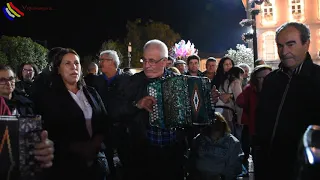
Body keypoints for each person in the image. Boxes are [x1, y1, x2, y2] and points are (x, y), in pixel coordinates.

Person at [112, 39, 220, 180]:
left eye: (152, 61)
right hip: (142, 154)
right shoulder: (131, 82)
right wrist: (136, 105)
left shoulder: (181, 81)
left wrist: (207, 101)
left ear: (164, 62)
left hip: (174, 152)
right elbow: (114, 111)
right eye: (144, 60)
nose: (146, 65)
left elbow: (195, 117)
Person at [255, 22, 320, 180]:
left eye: (291, 44)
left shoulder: (317, 79)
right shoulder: (271, 80)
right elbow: (261, 121)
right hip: (269, 168)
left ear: (306, 44)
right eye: (280, 46)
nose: (284, 52)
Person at [34, 48, 112, 180]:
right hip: (67, 167)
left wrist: (95, 145)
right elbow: (50, 132)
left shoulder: (91, 92)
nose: (73, 67)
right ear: (58, 69)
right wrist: (79, 148)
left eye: (76, 63)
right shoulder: (49, 97)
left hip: (97, 165)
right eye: (67, 63)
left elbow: (104, 121)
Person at [0, 65, 54, 169]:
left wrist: (43, 144)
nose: (8, 83)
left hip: (27, 160)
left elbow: (37, 129)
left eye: (11, 78)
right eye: (2, 80)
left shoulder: (26, 102)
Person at [236, 64, 272, 174]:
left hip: (272, 129)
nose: (263, 80)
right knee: (258, 157)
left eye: (266, 77)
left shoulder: (276, 89)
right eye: (260, 78)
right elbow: (240, 101)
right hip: (255, 129)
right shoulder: (250, 89)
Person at [188, 112, 243, 180]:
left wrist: (223, 177)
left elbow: (235, 166)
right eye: (213, 122)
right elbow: (192, 160)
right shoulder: (199, 139)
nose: (216, 124)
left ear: (223, 124)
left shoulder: (233, 142)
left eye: (219, 121)